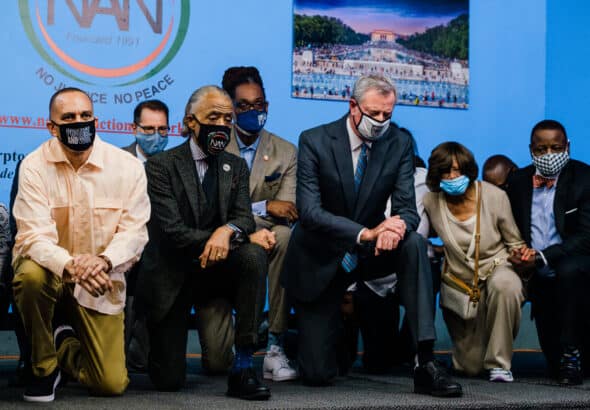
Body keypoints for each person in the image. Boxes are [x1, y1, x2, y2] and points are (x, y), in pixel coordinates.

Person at [281, 75, 462, 397]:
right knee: (318, 374)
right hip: (323, 256)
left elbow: (407, 208)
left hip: (373, 256)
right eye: (374, 113)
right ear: (353, 107)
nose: (381, 121)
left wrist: (395, 227)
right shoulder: (315, 140)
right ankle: (300, 336)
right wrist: (365, 232)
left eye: (387, 114)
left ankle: (425, 360)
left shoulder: (399, 143)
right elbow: (310, 212)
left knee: (415, 243)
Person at [11, 87, 150, 402]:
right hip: (51, 272)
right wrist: (71, 265)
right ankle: (44, 367)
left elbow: (135, 233)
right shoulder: (33, 166)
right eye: (69, 117)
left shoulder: (127, 167)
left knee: (110, 384)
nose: (79, 123)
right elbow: (33, 236)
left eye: (85, 116)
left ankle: (63, 344)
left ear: (95, 120)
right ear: (52, 127)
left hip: (99, 279)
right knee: (30, 274)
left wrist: (102, 262)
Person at [137, 85, 271, 400]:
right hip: (174, 278)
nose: (222, 125)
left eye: (228, 118)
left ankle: (243, 367)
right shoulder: (160, 166)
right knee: (168, 380)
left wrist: (226, 233)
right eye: (214, 117)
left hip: (217, 277)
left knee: (253, 255)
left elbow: (244, 219)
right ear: (191, 123)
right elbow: (172, 231)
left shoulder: (235, 165)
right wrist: (217, 239)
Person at [423, 142, 527, 382]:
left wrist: (522, 259)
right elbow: (420, 233)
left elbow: (515, 243)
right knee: (469, 369)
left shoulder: (494, 196)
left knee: (505, 285)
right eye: (445, 171)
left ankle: (500, 364)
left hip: (497, 266)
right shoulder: (430, 201)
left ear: (468, 170)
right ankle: (479, 358)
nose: (452, 176)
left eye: (458, 170)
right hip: (460, 283)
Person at [222, 66, 298, 382]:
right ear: (230, 108)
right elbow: (216, 209)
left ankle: (275, 345)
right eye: (244, 105)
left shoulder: (286, 151)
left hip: (267, 236)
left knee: (285, 236)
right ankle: (231, 337)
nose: (254, 111)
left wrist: (262, 218)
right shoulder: (214, 144)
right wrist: (264, 206)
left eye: (259, 104)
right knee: (215, 360)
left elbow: (289, 211)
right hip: (224, 236)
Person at [506, 119, 590, 385]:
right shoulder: (519, 180)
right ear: (532, 150)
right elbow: (509, 226)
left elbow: (586, 236)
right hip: (533, 268)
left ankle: (571, 351)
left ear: (568, 147)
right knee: (553, 367)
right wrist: (519, 254)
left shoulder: (585, 178)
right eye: (542, 149)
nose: (549, 154)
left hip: (573, 264)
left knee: (568, 271)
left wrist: (543, 256)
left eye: (556, 147)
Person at [121, 99, 170, 373]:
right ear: (134, 128)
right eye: (149, 129)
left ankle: (146, 351)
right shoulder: (116, 161)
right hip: (123, 249)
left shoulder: (176, 164)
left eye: (162, 130)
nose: (156, 136)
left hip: (161, 252)